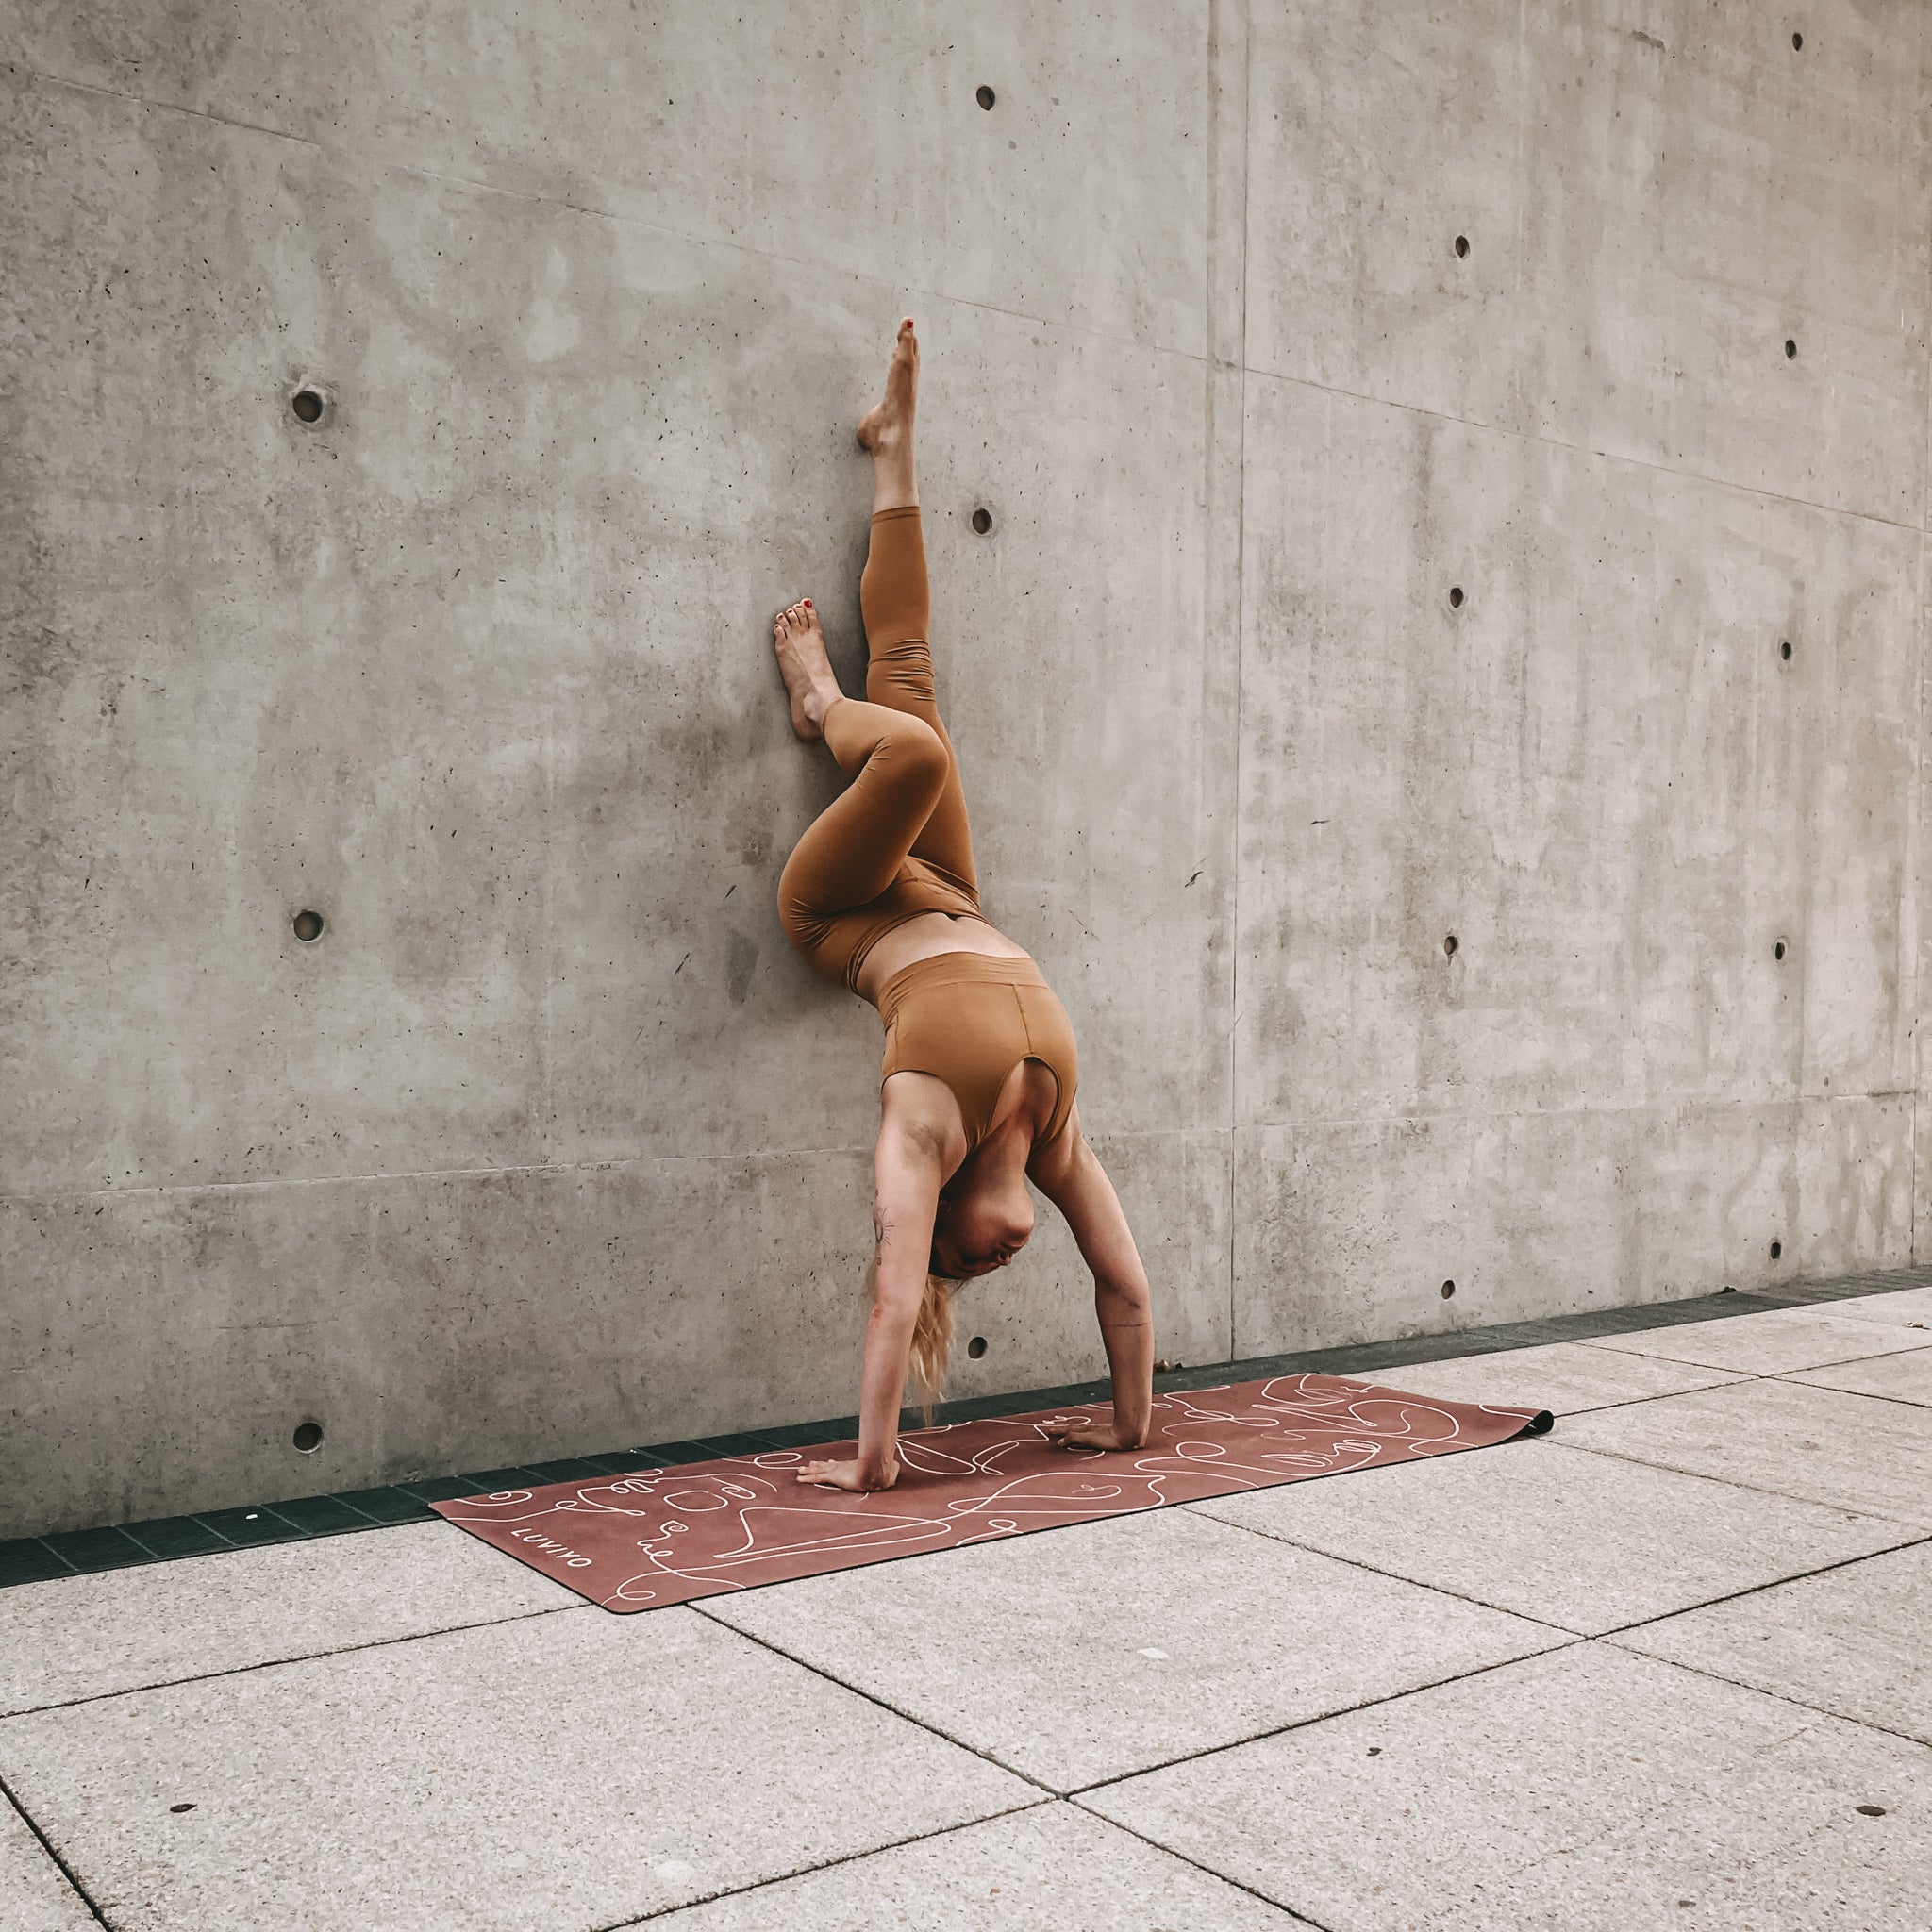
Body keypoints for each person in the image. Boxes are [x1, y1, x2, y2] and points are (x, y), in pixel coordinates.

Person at [771, 319, 1157, 1492]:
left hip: (842, 915)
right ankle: (894, 450)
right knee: (917, 686)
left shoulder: (924, 1135)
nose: (994, 1265)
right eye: (987, 1269)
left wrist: (873, 1463)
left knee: (909, 758)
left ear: (939, 1216)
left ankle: (816, 706)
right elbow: (1126, 1286)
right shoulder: (1055, 1133)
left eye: (968, 1267)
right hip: (952, 896)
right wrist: (1130, 1428)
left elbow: (896, 1288)